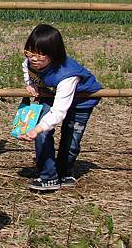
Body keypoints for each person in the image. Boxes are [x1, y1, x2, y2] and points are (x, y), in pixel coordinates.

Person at [18, 24, 102, 192]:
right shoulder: (30, 62)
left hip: (80, 103)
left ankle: (64, 171)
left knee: (71, 140)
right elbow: (26, 68)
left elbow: (59, 112)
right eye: (30, 52)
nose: (33, 59)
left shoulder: (67, 75)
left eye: (40, 55)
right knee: (42, 132)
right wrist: (31, 84)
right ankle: (48, 176)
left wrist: (37, 128)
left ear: (54, 54)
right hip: (51, 95)